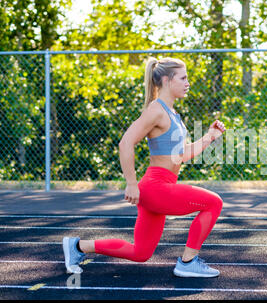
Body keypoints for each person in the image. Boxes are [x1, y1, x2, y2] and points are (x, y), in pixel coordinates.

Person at [63, 57, 226, 278]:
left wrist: (209, 137)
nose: (188, 83)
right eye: (183, 78)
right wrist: (131, 183)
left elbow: (181, 155)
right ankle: (188, 262)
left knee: (140, 253)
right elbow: (126, 142)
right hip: (156, 186)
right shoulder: (156, 110)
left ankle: (77, 247)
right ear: (168, 80)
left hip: (159, 187)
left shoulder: (172, 114)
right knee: (214, 202)